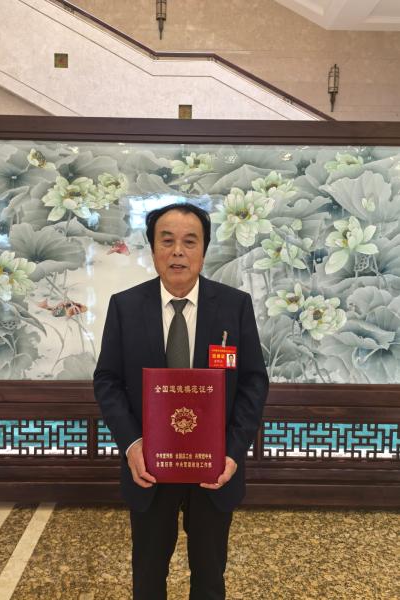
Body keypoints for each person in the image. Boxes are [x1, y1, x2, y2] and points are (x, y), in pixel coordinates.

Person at [93, 203, 268, 600]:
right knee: (148, 575)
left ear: (204, 250)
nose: (178, 252)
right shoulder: (125, 307)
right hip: (149, 467)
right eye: (167, 240)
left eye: (190, 242)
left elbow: (253, 382)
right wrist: (132, 445)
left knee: (209, 576)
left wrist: (233, 452)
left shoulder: (234, 306)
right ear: (153, 248)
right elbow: (107, 381)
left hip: (214, 468)